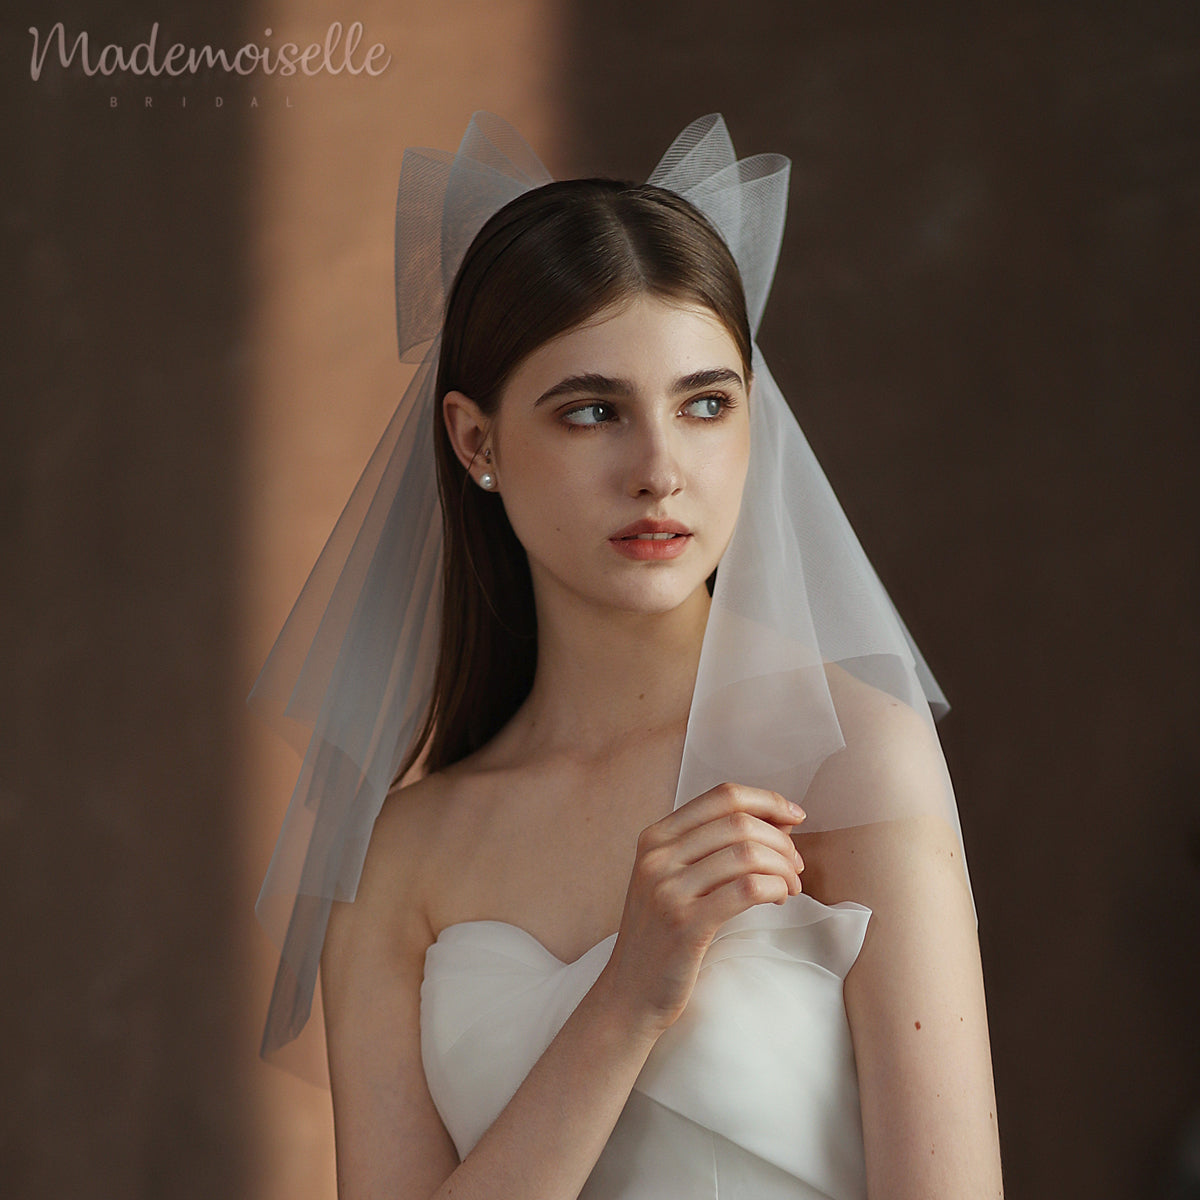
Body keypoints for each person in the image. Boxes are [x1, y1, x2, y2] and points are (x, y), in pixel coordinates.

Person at [251, 114, 1003, 1199]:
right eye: (594, 411)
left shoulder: (849, 756)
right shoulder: (395, 861)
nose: (660, 469)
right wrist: (629, 996)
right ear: (477, 442)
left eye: (705, 404)